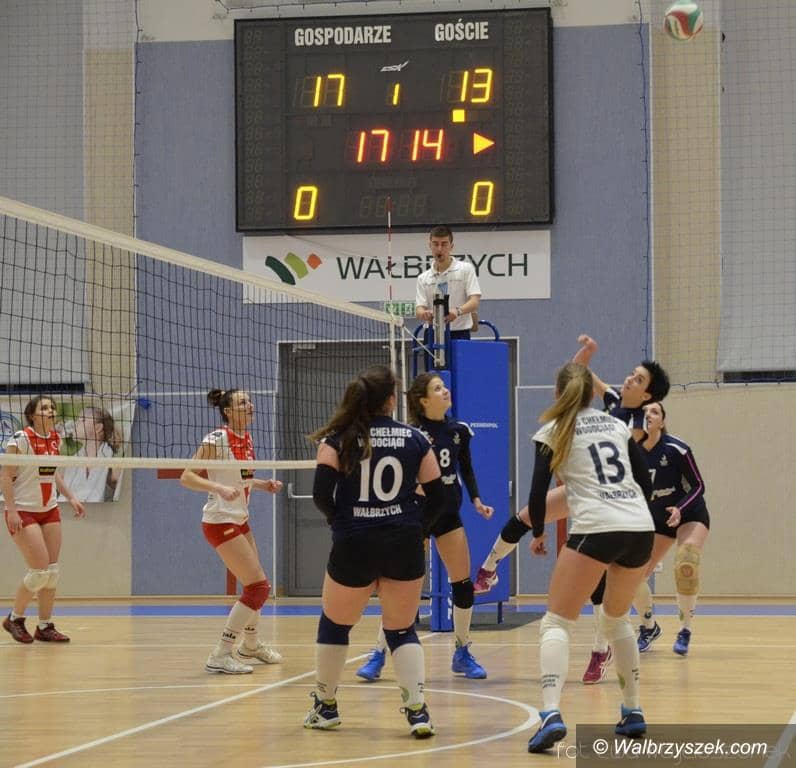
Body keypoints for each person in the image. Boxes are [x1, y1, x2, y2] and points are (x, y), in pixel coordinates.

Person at [304, 364, 448, 738]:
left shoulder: (337, 440)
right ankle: (417, 712)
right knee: (401, 629)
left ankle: (325, 707)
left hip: (354, 542)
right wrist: (418, 530)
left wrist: (341, 523)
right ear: (391, 400)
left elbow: (321, 495)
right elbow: (440, 498)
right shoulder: (416, 439)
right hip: (403, 542)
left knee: (335, 624)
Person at [525, 363, 655, 753]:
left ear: (558, 393)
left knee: (556, 622)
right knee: (616, 620)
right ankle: (632, 710)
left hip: (596, 526)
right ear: (589, 394)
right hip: (639, 526)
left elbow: (537, 494)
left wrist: (538, 533)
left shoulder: (552, 430)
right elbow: (645, 479)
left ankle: (550, 713)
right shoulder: (615, 423)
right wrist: (633, 515)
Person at [355, 372, 494, 682]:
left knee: (463, 583)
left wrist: (476, 500)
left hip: (448, 514)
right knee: (399, 587)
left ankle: (462, 651)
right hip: (415, 516)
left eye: (444, 386)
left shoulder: (459, 430)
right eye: (437, 388)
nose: (445, 391)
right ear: (423, 401)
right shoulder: (411, 434)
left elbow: (466, 468)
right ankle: (378, 653)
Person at [180, 388, 284, 674]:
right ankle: (221, 653)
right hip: (220, 521)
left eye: (250, 401)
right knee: (258, 587)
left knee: (256, 585)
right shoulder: (216, 439)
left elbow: (242, 478)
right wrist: (218, 488)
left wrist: (263, 485)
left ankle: (250, 645)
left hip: (240, 519)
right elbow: (186, 477)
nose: (250, 405)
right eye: (242, 402)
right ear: (227, 411)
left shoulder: (246, 438)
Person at [2, 395, 86, 643]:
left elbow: (53, 472)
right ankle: (14, 619)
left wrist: (71, 497)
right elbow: (5, 476)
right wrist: (11, 510)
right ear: (32, 415)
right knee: (39, 572)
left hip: (49, 509)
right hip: (23, 510)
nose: (51, 411)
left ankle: (44, 626)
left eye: (53, 408)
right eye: (45, 408)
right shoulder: (20, 439)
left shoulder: (55, 439)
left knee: (52, 572)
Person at [632, 401, 710, 656]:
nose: (648, 415)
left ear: (662, 422)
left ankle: (685, 630)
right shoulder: (631, 452)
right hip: (657, 520)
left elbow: (698, 485)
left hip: (688, 513)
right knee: (632, 575)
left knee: (686, 563)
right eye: (644, 412)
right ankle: (648, 627)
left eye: (654, 412)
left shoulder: (677, 448)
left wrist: (679, 508)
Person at [415, 225, 481, 341]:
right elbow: (419, 310)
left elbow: (474, 302)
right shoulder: (423, 278)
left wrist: (457, 311)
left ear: (451, 246)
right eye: (435, 244)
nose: (439, 249)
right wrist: (425, 314)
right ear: (430, 245)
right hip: (432, 333)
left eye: (444, 244)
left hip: (459, 333)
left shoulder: (466, 269)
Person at [61, 407, 122, 502]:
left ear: (98, 428)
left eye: (82, 420)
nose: (76, 424)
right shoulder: (69, 463)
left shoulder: (113, 466)